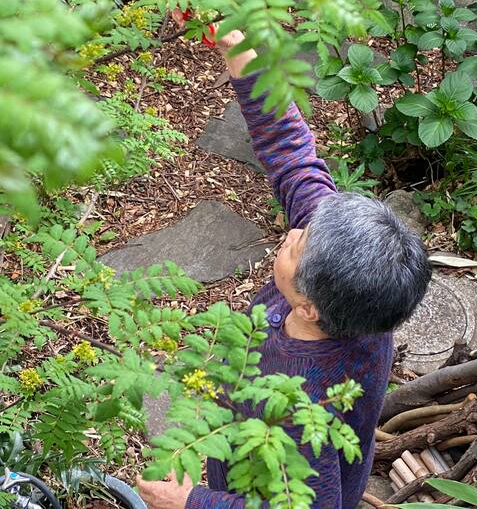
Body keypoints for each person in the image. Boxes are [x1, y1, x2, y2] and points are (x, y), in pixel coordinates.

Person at [137, 30, 432, 509]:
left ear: (309, 307)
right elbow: (294, 157)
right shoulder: (351, 287)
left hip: (263, 484)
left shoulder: (302, 404)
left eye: (298, 247)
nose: (294, 234)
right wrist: (242, 56)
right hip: (242, 443)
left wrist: (194, 502)